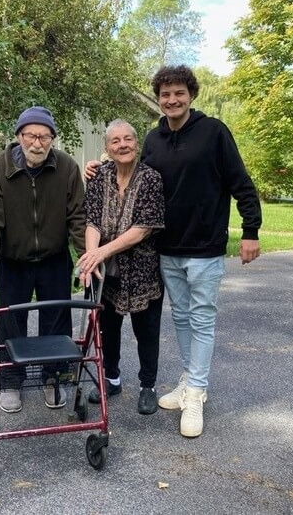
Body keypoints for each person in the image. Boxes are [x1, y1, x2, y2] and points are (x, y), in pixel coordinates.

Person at [85, 65, 262, 437]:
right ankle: (189, 380)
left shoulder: (213, 132)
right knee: (181, 317)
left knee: (202, 319)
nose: (172, 100)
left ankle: (196, 393)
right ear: (159, 98)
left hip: (205, 247)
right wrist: (100, 166)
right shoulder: (153, 138)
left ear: (191, 94)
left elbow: (241, 183)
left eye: (178, 93)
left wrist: (250, 230)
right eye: (165, 94)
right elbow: (135, 175)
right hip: (166, 249)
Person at [0, 106, 86, 414]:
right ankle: (10, 381)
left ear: (52, 139)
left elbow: (77, 217)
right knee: (10, 321)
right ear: (19, 136)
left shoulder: (67, 168)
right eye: (31, 135)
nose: (38, 143)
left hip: (53, 259)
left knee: (56, 320)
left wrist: (86, 255)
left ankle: (53, 377)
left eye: (45, 136)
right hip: (13, 260)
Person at [76, 119, 165, 415]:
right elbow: (91, 220)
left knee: (146, 330)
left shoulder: (151, 178)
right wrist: (91, 257)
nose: (122, 145)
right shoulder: (99, 177)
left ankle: (147, 386)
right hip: (107, 274)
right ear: (107, 148)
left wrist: (100, 252)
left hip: (143, 270)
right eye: (115, 141)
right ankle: (111, 379)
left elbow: (143, 228)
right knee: (107, 329)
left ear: (136, 143)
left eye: (128, 139)